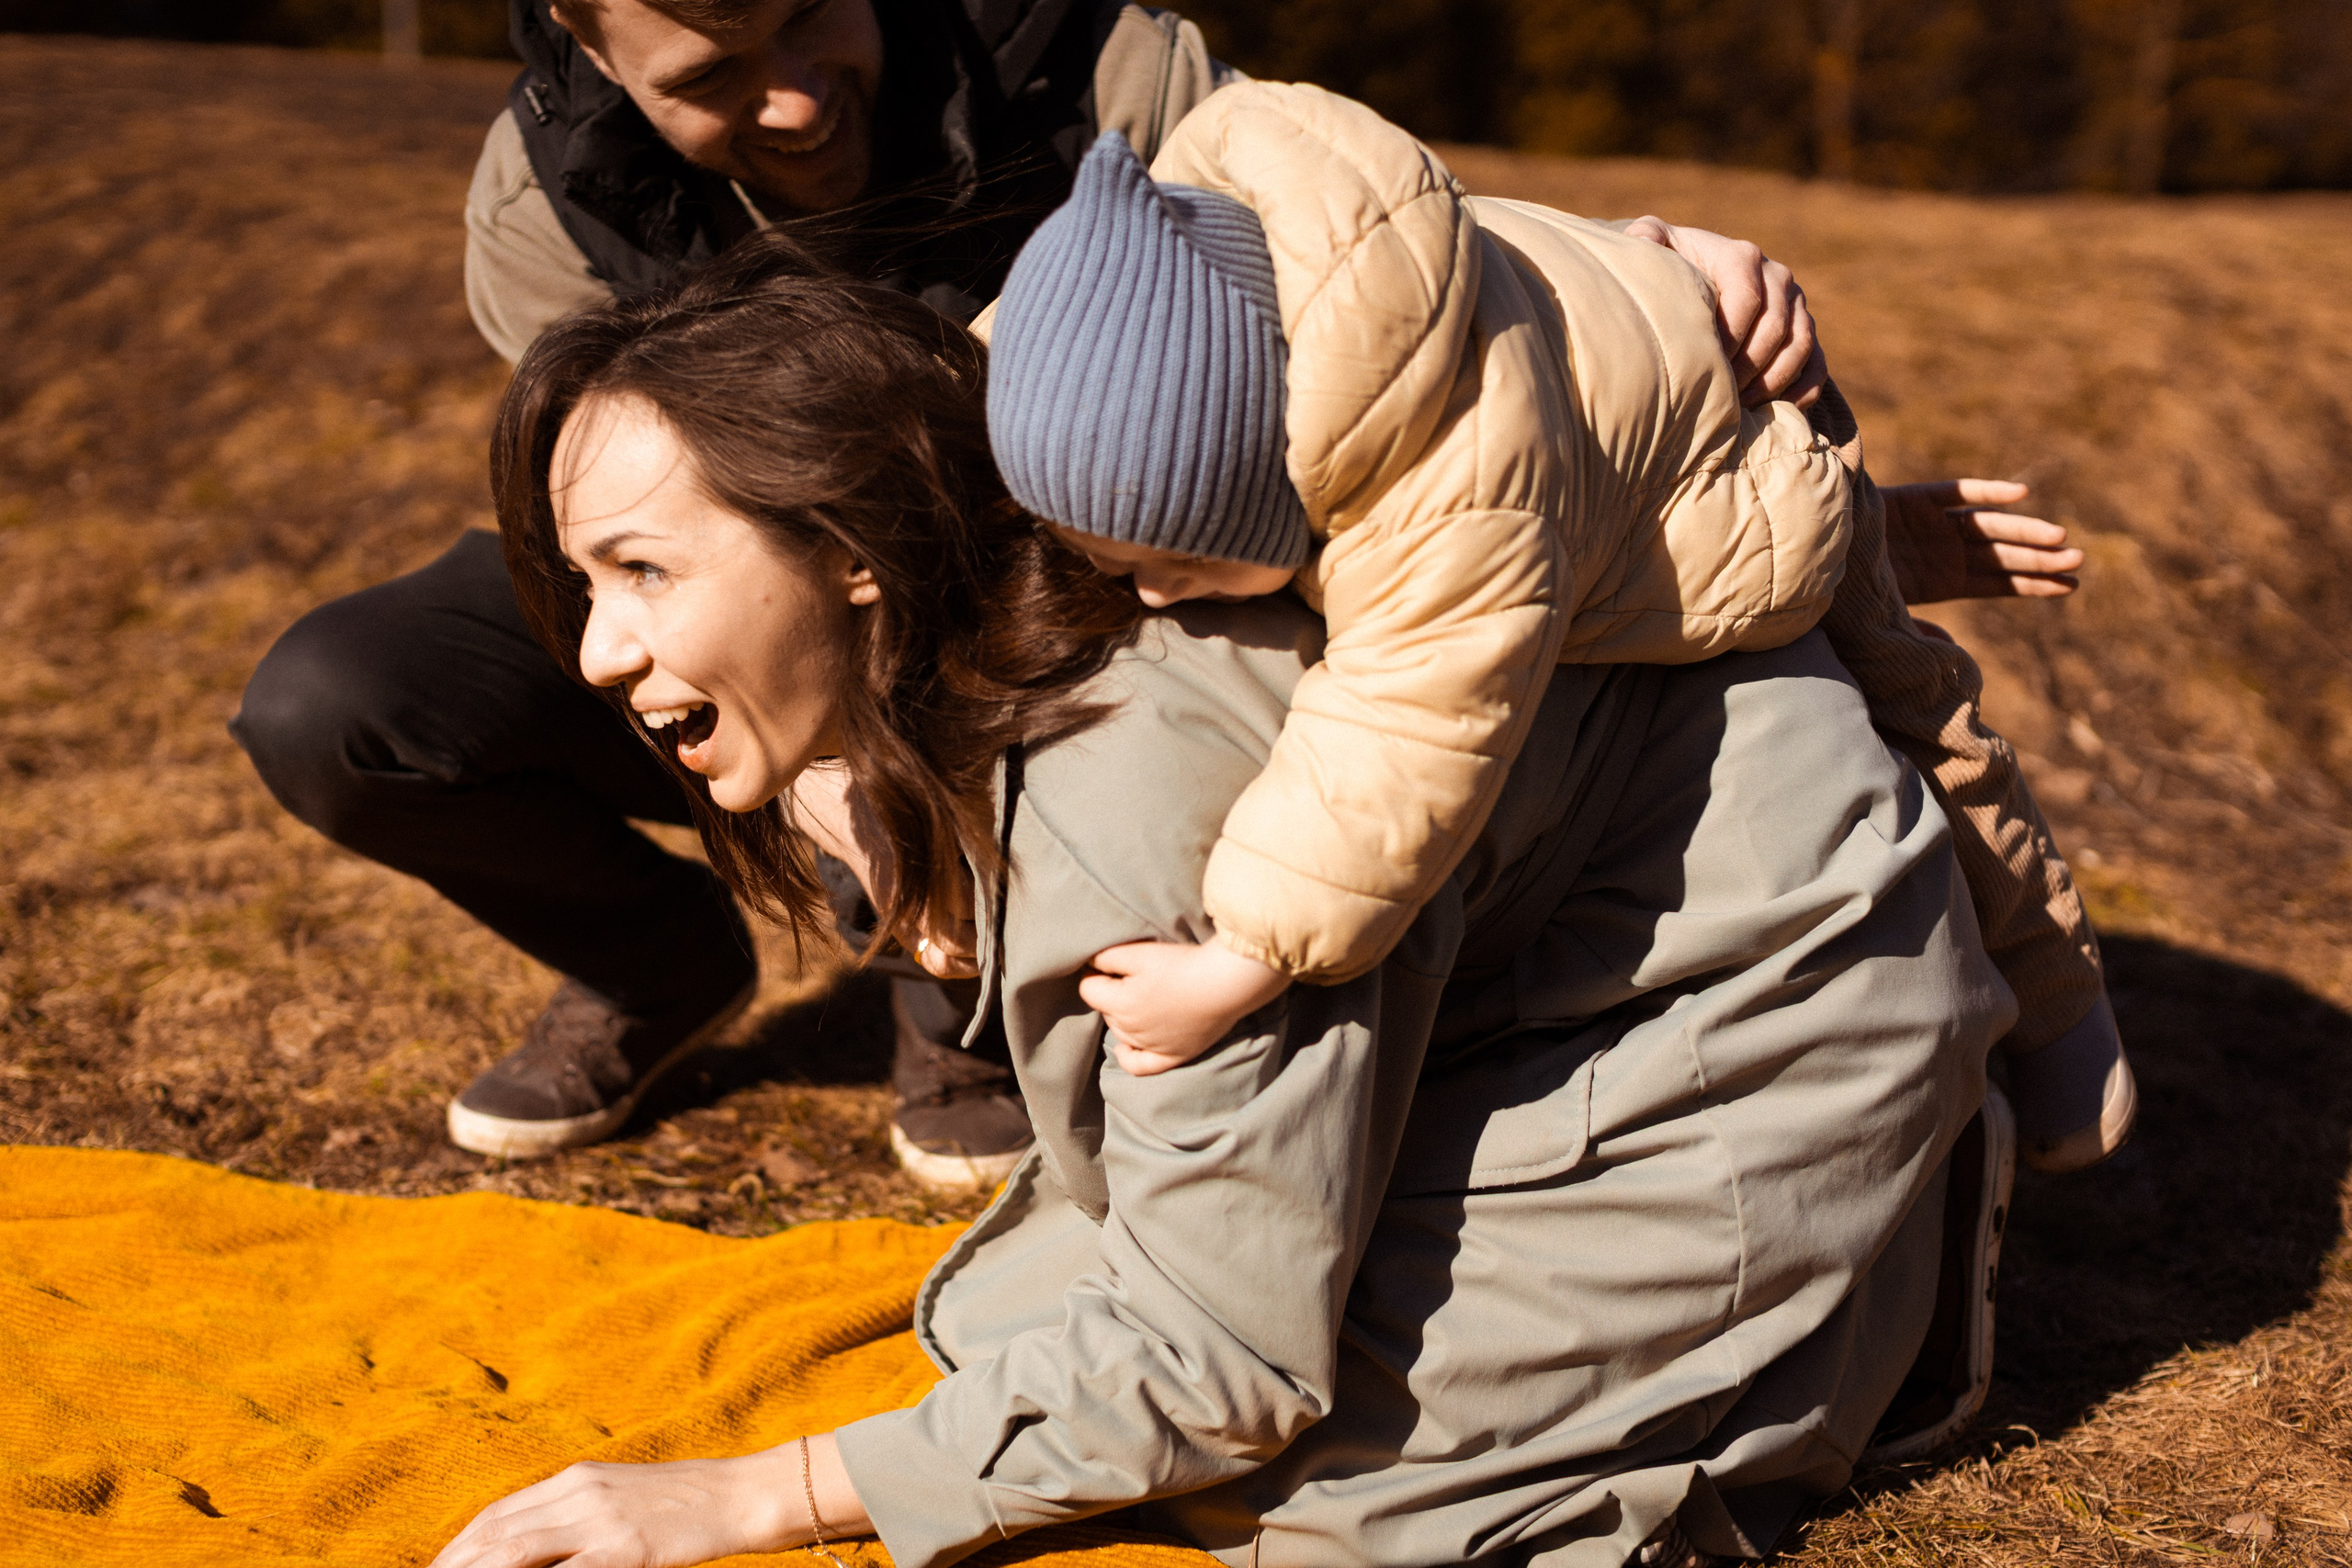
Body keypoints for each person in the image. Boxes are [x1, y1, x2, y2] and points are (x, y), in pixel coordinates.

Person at [228, 0, 2081, 1181]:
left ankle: (950, 991)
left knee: (1223, 630)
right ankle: (663, 960)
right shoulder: (533, 213)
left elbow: (1343, 278)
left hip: (1050, 553)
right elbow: (640, 536)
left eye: (817, 15)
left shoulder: (1091, 58)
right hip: (768, 576)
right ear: (583, 44)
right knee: (339, 701)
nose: (796, 98)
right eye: (711, 77)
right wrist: (802, 757)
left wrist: (1622, 272)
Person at [427, 238, 2016, 1568]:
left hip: (1778, 1008)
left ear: (846, 545)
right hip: (1561, 969)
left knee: (1327, 1497)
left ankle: (1903, 1284)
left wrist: (747, 1496)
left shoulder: (1132, 795)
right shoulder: (1049, 523)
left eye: (641, 573)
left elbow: (1224, 1363)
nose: (594, 652)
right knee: (1055, 1335)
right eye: (586, 585)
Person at [978, 87, 2132, 1175]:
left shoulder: (1450, 490)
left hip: (1750, 485)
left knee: (1925, 723)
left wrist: (1239, 965)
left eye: (1178, 563)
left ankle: (2062, 1010)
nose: (1157, 599)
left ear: (1286, 475)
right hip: (1618, 411)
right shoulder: (1282, 254)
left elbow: (1405, 731)